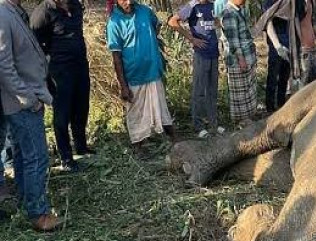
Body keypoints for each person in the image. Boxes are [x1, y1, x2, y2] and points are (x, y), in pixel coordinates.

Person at [0, 0, 62, 231]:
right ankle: (39, 214)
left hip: (26, 97)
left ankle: (26, 201)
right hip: (21, 102)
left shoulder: (14, 12)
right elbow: (4, 66)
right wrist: (27, 98)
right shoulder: (2, 15)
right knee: (36, 157)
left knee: (23, 154)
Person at [30, 0, 91, 173]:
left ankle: (81, 147)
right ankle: (66, 158)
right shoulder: (42, 12)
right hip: (59, 71)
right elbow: (34, 44)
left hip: (80, 65)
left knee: (81, 108)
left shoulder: (75, 5)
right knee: (62, 114)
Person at [107, 0, 175, 145]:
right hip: (133, 75)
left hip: (153, 69)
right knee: (136, 114)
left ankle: (172, 138)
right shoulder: (114, 22)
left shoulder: (145, 11)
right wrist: (123, 86)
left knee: (161, 108)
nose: (128, 2)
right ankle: (138, 144)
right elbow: (116, 56)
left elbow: (156, 25)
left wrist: (149, 43)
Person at [169, 0, 224, 139]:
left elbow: (216, 23)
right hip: (201, 54)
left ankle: (213, 123)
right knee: (199, 91)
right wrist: (192, 39)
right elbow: (173, 22)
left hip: (214, 53)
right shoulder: (192, 6)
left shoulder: (213, 5)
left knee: (212, 90)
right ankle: (198, 126)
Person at [257, 0, 304, 114]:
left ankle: (281, 104)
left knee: (285, 75)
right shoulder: (269, 1)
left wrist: (299, 42)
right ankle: (270, 107)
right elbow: (267, 21)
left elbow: (297, 18)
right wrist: (277, 45)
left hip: (290, 39)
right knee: (273, 76)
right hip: (276, 42)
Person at [221, 0, 257, 122]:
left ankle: (249, 117)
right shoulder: (229, 13)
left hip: (247, 57)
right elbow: (233, 40)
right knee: (240, 94)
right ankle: (242, 121)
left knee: (248, 90)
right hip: (238, 61)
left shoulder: (238, 11)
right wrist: (241, 59)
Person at [299, 0, 316, 85]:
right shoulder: (296, 3)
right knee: (303, 84)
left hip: (314, 49)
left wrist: (313, 30)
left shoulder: (311, 2)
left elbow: (309, 20)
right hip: (303, 50)